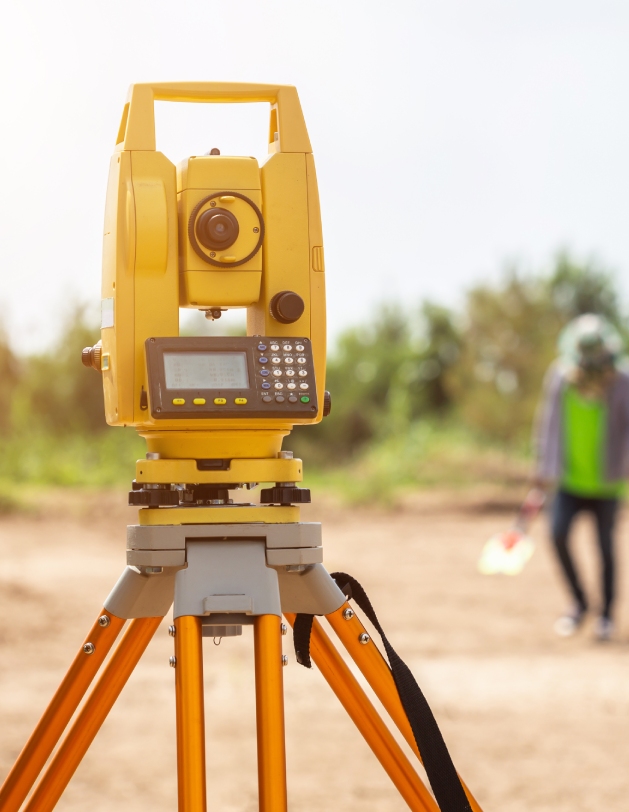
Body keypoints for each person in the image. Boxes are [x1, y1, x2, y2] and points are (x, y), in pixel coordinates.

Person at [534, 313, 629, 641]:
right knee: (558, 535)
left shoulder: (622, 381)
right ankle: (579, 603)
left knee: (605, 548)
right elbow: (548, 423)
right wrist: (543, 469)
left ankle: (606, 616)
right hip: (569, 481)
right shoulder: (560, 377)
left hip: (607, 482)